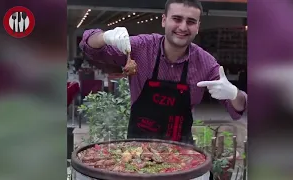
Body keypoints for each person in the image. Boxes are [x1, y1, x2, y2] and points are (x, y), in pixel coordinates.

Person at [80, 0, 247, 179]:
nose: (183, 27)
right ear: (164, 20)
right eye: (177, 19)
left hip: (182, 157)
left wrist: (234, 93)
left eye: (190, 21)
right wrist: (105, 36)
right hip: (135, 154)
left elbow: (238, 108)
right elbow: (88, 46)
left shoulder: (205, 63)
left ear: (198, 26)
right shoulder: (141, 48)